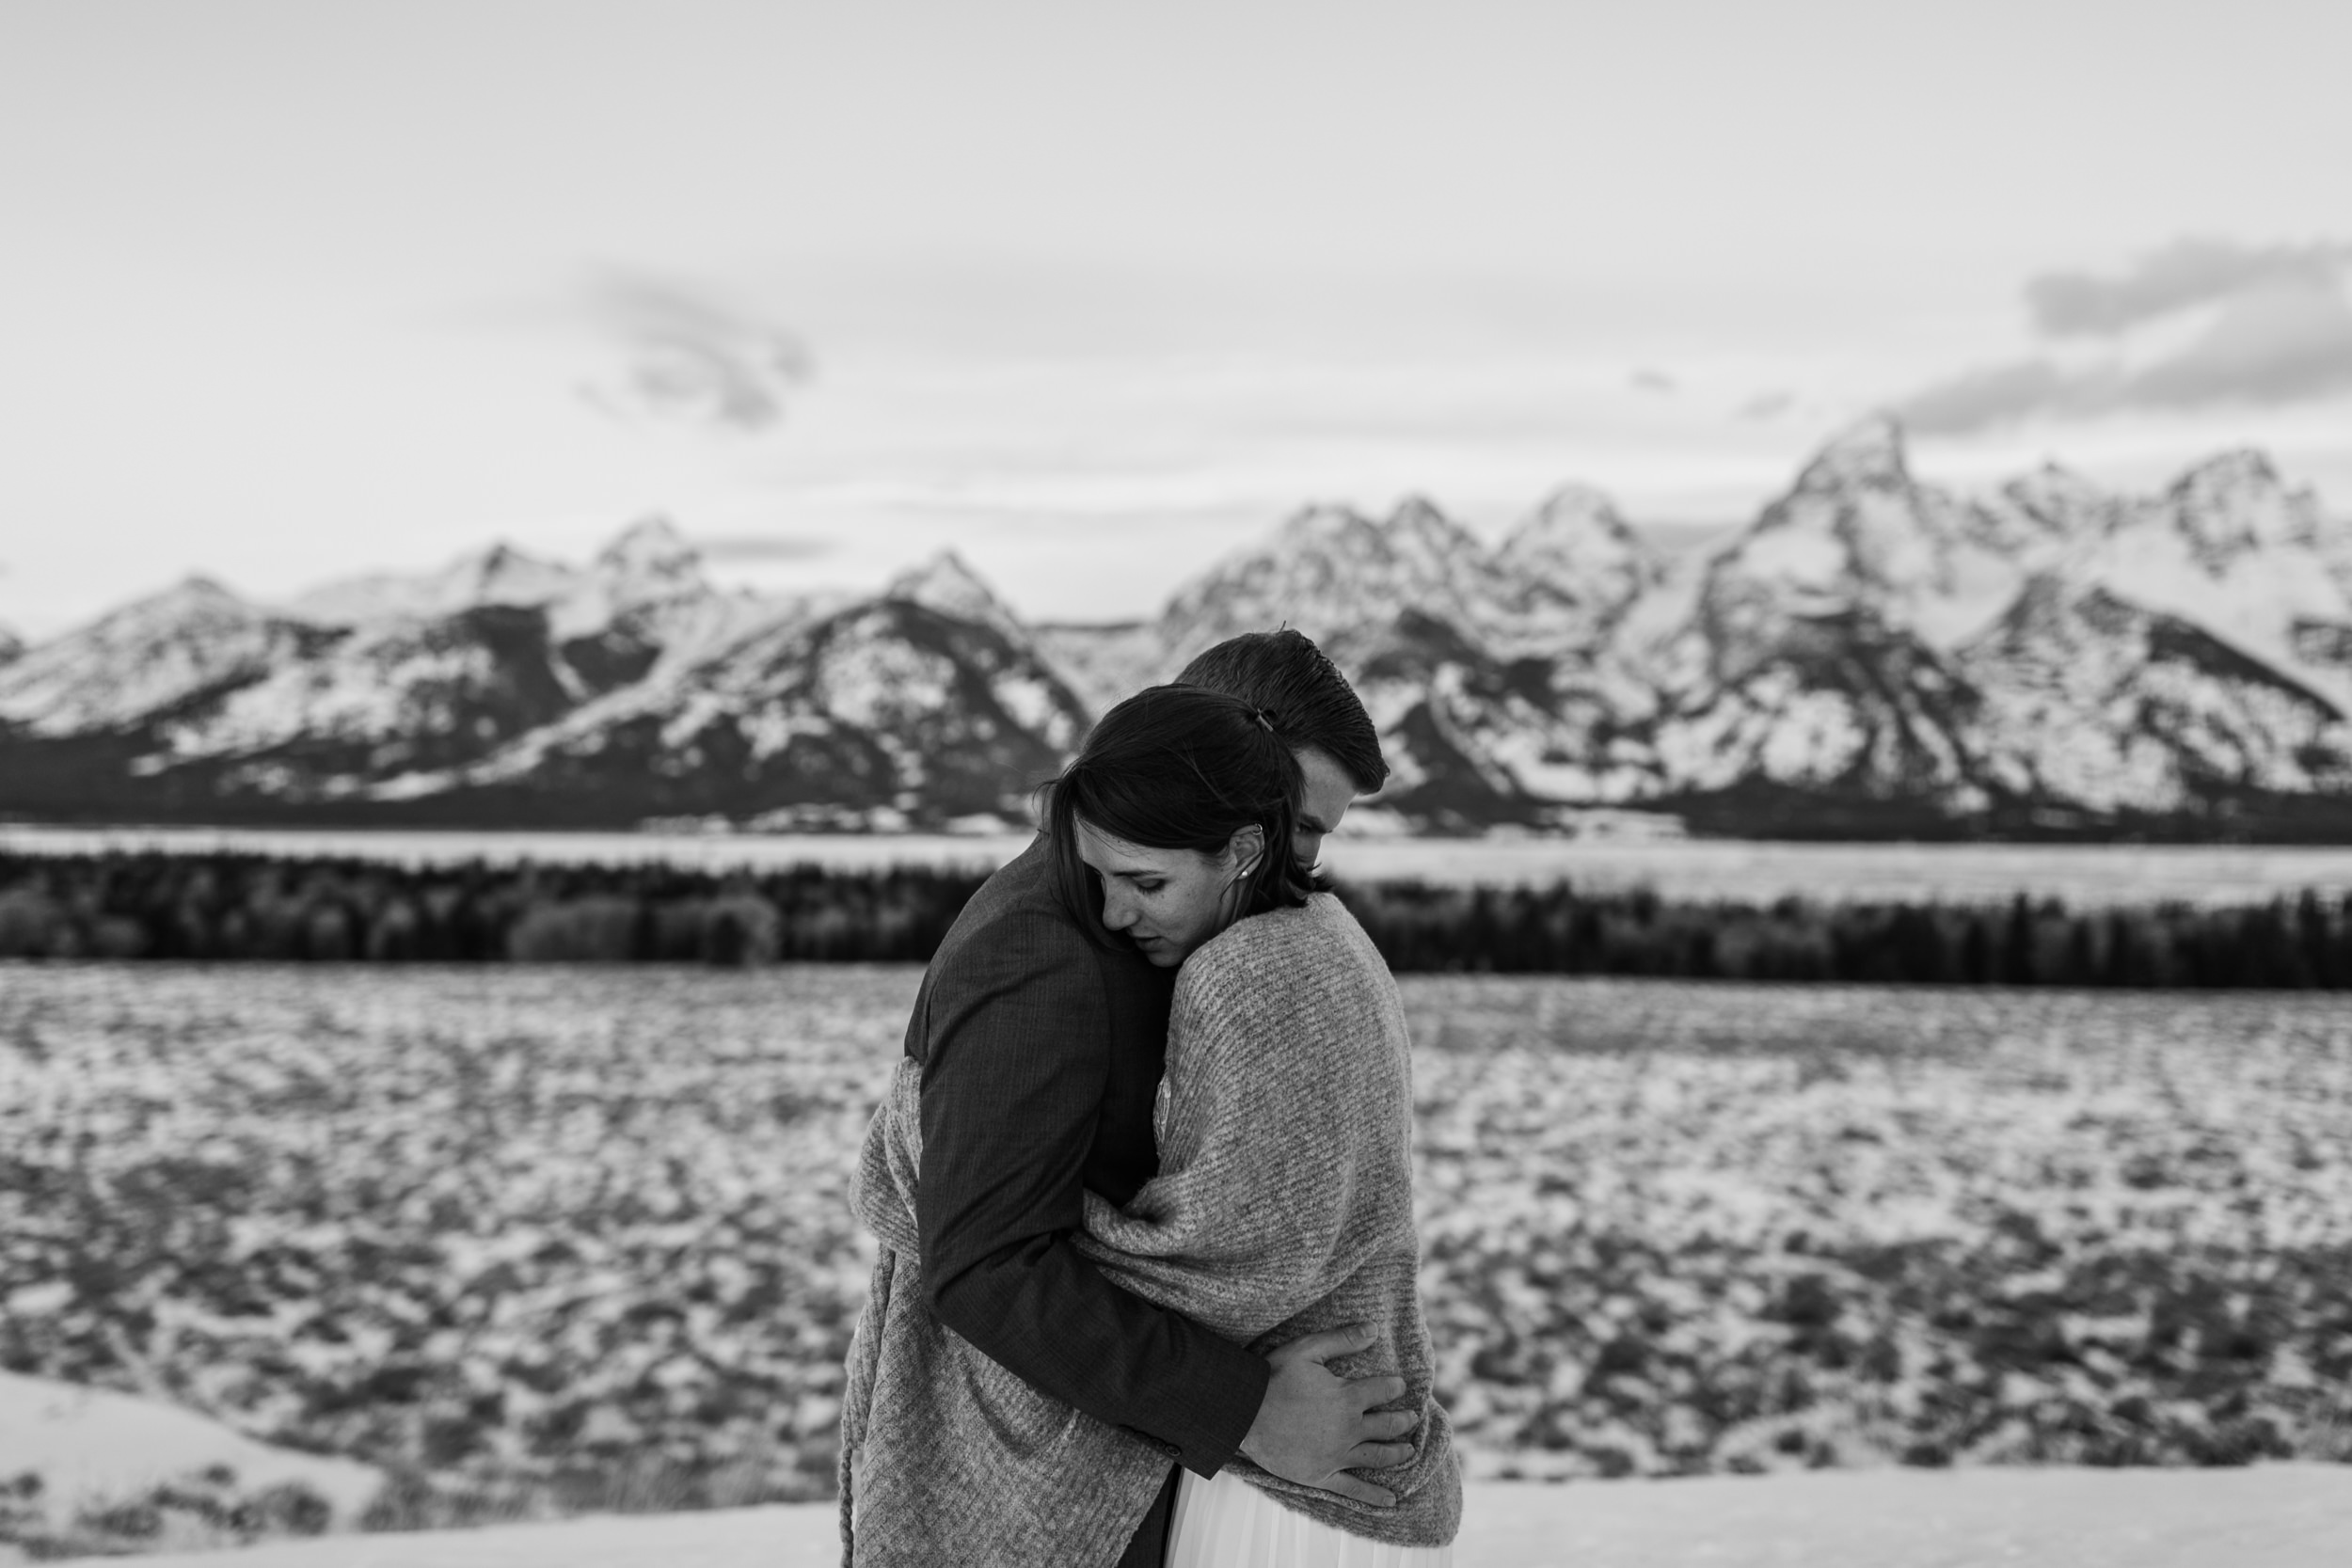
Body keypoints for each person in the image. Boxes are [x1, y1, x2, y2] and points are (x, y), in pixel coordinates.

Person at [842, 682, 1459, 1564]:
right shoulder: (1043, 955)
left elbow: (1250, 1230)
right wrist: (1246, 1408)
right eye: (1302, 824)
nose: (1305, 858)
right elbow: (985, 1260)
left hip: (1197, 1472)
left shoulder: (1257, 943)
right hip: (1054, 1483)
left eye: (1313, 832)